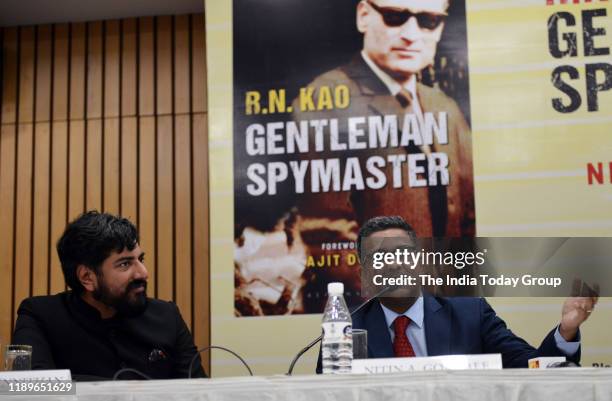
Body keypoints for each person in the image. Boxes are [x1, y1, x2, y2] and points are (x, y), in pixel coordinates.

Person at [316, 216, 598, 372]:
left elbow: (531, 367)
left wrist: (566, 332)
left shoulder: (469, 312)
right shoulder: (347, 331)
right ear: (363, 273)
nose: (393, 263)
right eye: (380, 257)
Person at [294, 0, 474, 237]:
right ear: (364, 16)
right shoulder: (322, 101)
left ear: (440, 28)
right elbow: (326, 231)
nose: (411, 35)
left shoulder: (445, 107)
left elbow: (471, 215)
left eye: (428, 21)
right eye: (394, 16)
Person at [12, 211, 206, 380]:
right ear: (87, 277)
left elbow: (200, 390)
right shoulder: (34, 314)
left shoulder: (168, 315)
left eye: (140, 259)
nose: (143, 273)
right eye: (125, 264)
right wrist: (121, 390)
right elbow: (20, 385)